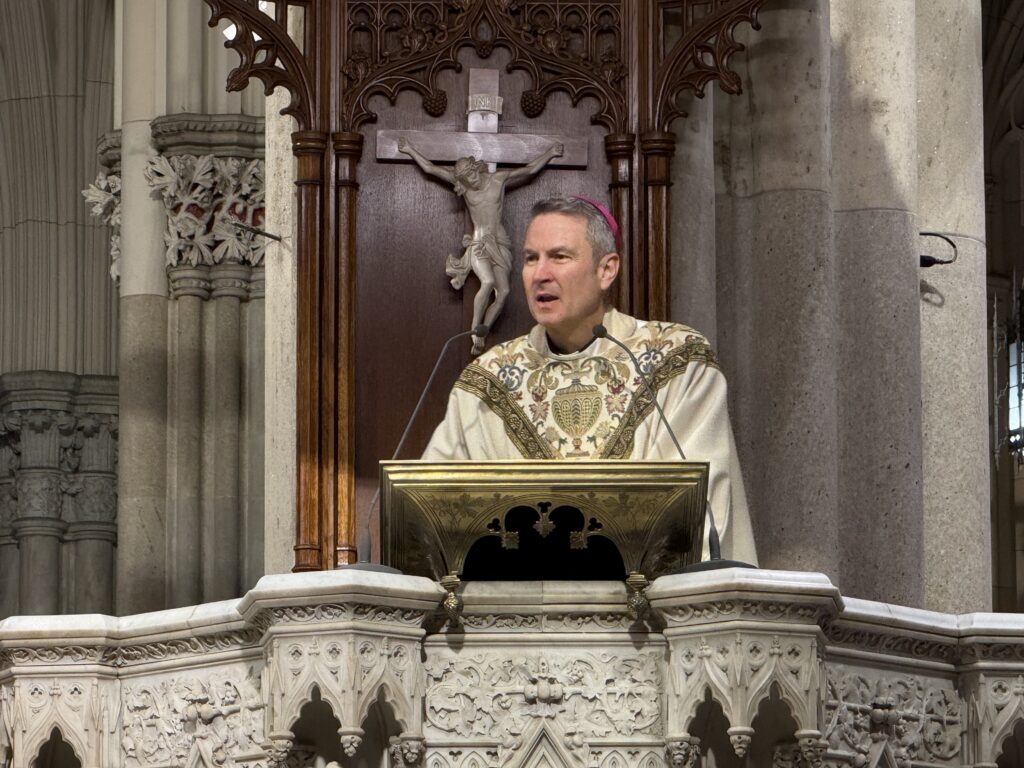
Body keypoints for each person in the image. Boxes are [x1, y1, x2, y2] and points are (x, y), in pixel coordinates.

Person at [422, 196, 757, 564]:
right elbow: (433, 514)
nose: (540, 273)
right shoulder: (487, 382)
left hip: (645, 613)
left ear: (606, 270)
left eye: (560, 256)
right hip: (515, 614)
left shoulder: (677, 363)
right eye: (531, 258)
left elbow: (702, 515)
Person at [398, 137, 562, 353]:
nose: (472, 180)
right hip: (478, 242)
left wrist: (550, 153)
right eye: (466, 178)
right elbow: (431, 168)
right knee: (487, 282)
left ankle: (484, 329)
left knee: (502, 292)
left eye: (472, 174)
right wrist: (410, 149)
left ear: (477, 169)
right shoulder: (465, 188)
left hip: (500, 242)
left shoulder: (498, 179)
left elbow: (529, 170)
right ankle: (476, 332)